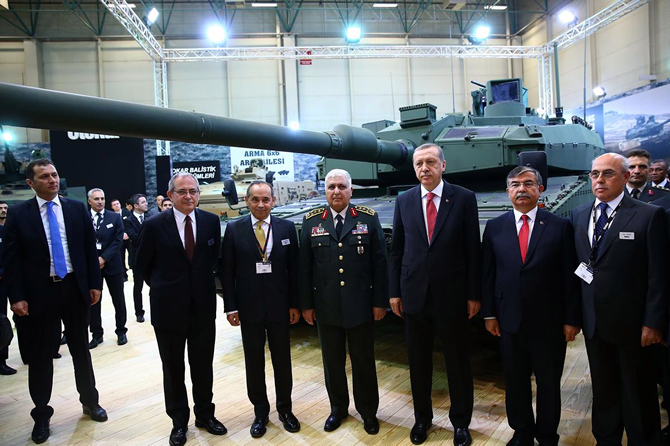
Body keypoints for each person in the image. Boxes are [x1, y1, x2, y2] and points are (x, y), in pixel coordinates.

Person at [4, 159, 107, 444]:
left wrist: (94, 284)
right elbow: (11, 260)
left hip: (74, 289)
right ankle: (41, 414)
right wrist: (17, 296)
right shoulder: (18, 214)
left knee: (81, 350)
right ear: (30, 183)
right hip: (39, 294)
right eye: (44, 176)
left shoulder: (76, 209)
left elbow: (88, 249)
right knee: (40, 357)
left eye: (54, 174)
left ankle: (90, 402)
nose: (52, 180)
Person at [571, 152, 668, 445]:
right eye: (595, 174)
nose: (599, 180)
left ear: (625, 177)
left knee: (638, 392)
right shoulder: (579, 214)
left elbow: (659, 276)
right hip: (595, 323)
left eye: (608, 173)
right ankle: (606, 439)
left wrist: (654, 323)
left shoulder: (649, 215)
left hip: (634, 326)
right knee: (603, 390)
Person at [389, 143, 481, 446]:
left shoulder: (464, 198)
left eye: (430, 162)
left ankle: (461, 423)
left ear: (443, 165)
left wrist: (473, 294)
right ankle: (422, 419)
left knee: (457, 363)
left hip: (453, 296)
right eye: (419, 163)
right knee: (418, 363)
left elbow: (473, 250)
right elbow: (397, 250)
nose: (424, 168)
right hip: (414, 295)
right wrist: (394, 292)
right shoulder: (404, 200)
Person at [481, 166, 581, 446]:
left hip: (549, 323)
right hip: (509, 320)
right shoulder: (495, 226)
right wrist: (489, 314)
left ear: (540, 189)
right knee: (515, 381)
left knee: (549, 383)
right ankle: (522, 432)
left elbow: (570, 277)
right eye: (515, 184)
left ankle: (547, 435)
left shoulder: (560, 226)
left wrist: (572, 319)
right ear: (507, 191)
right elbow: (488, 274)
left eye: (528, 183)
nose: (521, 189)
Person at [135, 172, 225, 446]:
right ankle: (178, 422)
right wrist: (167, 287)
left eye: (193, 191)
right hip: (168, 310)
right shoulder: (153, 225)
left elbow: (213, 259)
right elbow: (141, 266)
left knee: (203, 365)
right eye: (182, 191)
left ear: (199, 194)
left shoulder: (210, 222)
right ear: (170, 195)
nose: (188, 196)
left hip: (203, 308)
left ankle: (205, 415)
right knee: (173, 368)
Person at [299, 168, 388, 435]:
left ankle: (368, 412)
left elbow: (380, 263)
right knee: (332, 362)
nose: (336, 191)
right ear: (325, 191)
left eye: (341, 186)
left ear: (351, 190)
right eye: (331, 187)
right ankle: (338, 409)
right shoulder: (312, 221)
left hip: (360, 304)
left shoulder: (368, 218)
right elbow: (304, 267)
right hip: (326, 305)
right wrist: (306, 305)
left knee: (363, 360)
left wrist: (379, 302)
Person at [221, 180, 301, 438]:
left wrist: (294, 303)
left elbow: (294, 270)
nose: (260, 204)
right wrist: (230, 307)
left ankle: (285, 410)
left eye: (266, 199)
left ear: (273, 201)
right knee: (254, 362)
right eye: (255, 199)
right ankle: (260, 412)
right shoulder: (234, 229)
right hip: (249, 308)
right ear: (247, 201)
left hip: (280, 307)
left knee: (282, 361)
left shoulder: (286, 227)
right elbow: (227, 271)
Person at [86, 188, 128, 348]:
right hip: (92, 267)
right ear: (89, 201)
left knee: (118, 300)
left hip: (113, 265)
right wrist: (94, 260)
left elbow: (118, 241)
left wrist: (103, 258)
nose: (100, 201)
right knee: (94, 301)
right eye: (96, 199)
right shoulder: (83, 217)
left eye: (102, 198)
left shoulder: (114, 217)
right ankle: (96, 334)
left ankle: (121, 331)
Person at [125, 193, 148, 322]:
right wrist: (148, 237)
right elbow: (133, 237)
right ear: (136, 205)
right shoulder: (128, 220)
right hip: (137, 258)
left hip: (152, 257)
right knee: (138, 287)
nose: (146, 204)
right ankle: (139, 312)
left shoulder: (149, 218)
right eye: (143, 202)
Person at [0, 200, 17, 375]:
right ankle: (1, 360)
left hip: (12, 279)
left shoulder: (11, 229)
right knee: (2, 320)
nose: (3, 210)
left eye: (5, 208)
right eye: (0, 208)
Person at [110, 198, 130, 281]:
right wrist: (120, 235)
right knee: (121, 258)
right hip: (119, 240)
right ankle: (123, 275)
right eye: (114, 205)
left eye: (117, 203)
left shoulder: (127, 213)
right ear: (112, 207)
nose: (116, 205)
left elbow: (131, 224)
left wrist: (128, 234)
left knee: (133, 256)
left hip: (129, 238)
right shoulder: (111, 216)